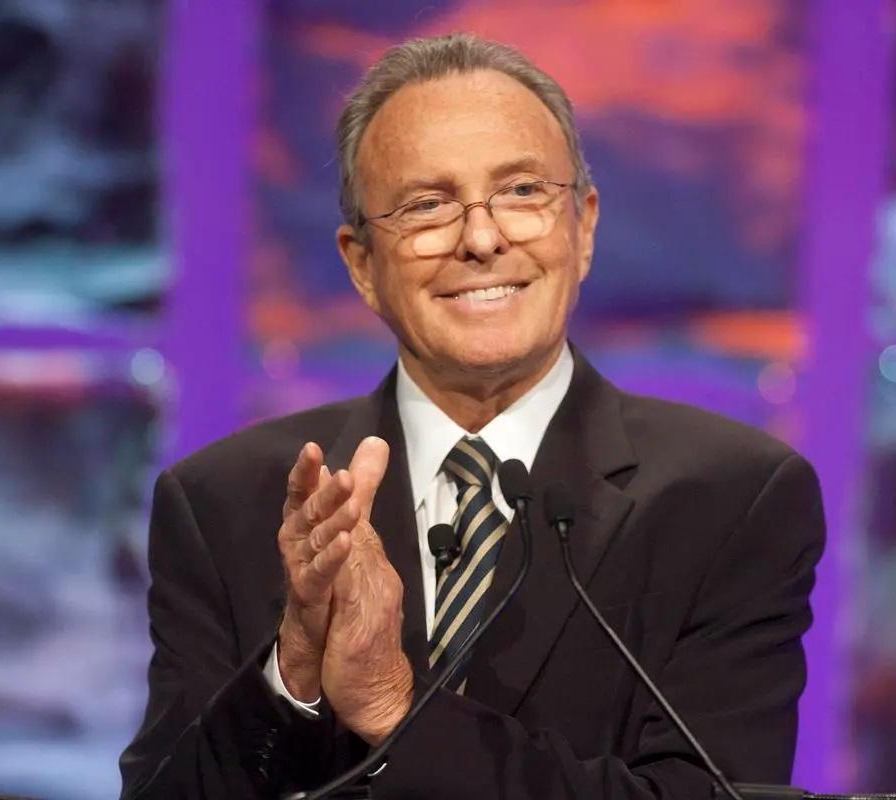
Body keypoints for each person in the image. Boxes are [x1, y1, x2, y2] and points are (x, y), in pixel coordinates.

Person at [119, 33, 825, 799]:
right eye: (427, 205)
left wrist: (394, 707)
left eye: (521, 192)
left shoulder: (732, 501)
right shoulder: (225, 504)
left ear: (583, 227)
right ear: (362, 263)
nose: (482, 239)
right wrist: (290, 674)